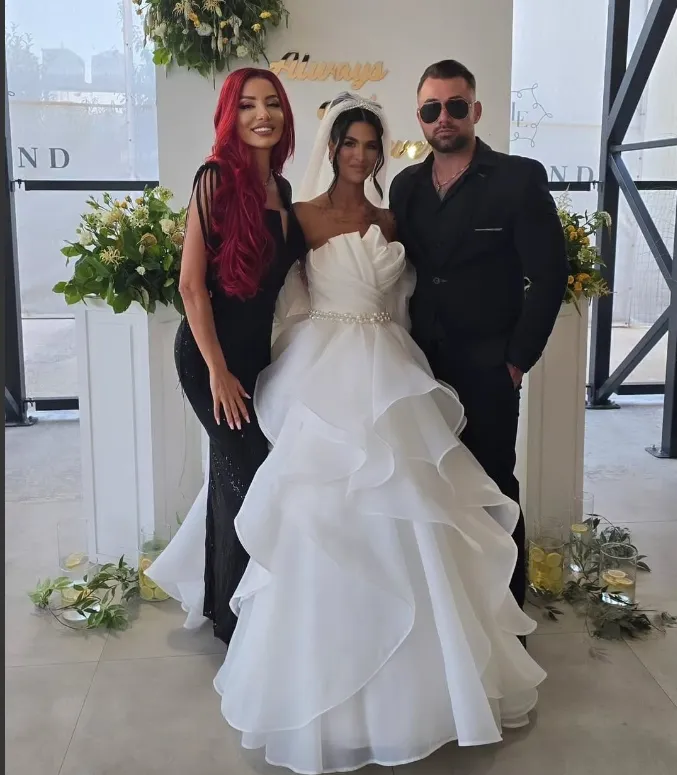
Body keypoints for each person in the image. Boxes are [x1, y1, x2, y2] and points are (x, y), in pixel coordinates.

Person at [211, 93, 546, 774]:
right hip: (324, 365)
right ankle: (324, 673)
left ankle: (429, 684)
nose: (360, 155)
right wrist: (234, 354)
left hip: (390, 364)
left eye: (370, 145)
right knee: (323, 509)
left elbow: (414, 295)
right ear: (331, 148)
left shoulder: (392, 219)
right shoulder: (302, 217)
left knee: (414, 504)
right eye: (349, 143)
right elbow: (272, 291)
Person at [389, 60, 569, 610]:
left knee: (493, 488)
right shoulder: (405, 187)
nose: (443, 117)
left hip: (490, 367)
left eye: (455, 106)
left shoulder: (518, 178)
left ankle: (505, 614)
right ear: (420, 117)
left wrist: (518, 359)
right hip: (419, 367)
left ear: (476, 110)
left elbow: (550, 275)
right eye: (431, 108)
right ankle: (451, 612)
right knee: (431, 487)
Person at [147, 67, 306, 645]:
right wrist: (217, 371)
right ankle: (247, 624)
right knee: (250, 479)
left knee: (229, 476)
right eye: (247, 105)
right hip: (210, 358)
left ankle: (226, 610)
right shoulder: (215, 178)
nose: (262, 115)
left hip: (257, 358)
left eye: (272, 104)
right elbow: (191, 286)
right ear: (229, 117)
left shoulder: (282, 190)